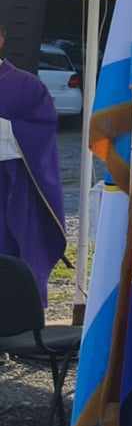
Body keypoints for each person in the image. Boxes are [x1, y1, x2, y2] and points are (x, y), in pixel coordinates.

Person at [0, 24, 63, 305]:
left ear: (1, 39)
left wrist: (5, 129)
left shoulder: (27, 86)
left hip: (13, 187)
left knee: (14, 257)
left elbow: (42, 131)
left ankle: (17, 318)